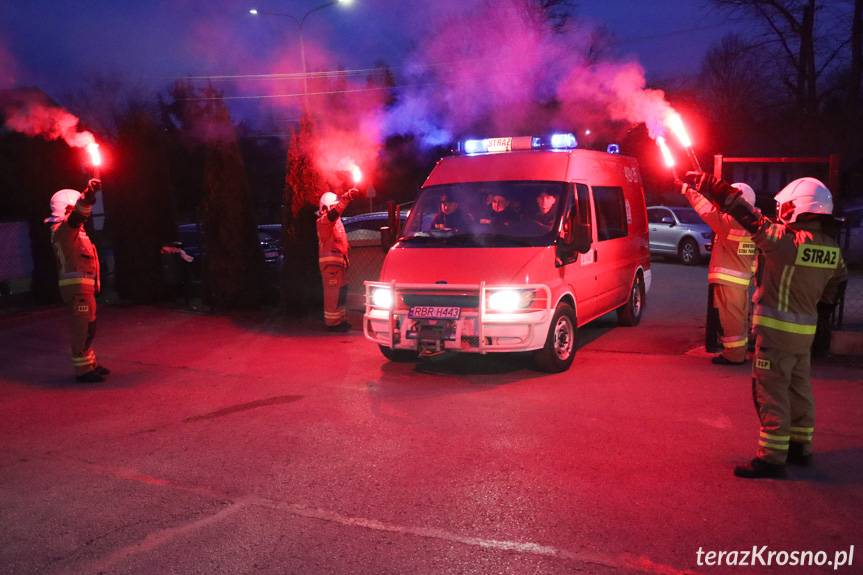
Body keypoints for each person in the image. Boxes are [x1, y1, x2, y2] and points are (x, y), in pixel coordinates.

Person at [686, 174, 847, 479]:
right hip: (805, 335)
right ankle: (801, 447)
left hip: (776, 335)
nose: (780, 213)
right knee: (799, 388)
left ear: (796, 208)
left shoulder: (785, 243)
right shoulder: (832, 250)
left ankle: (771, 458)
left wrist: (711, 186)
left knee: (771, 392)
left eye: (785, 207)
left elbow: (749, 218)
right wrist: (822, 311)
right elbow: (837, 284)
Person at [682, 181, 757, 365]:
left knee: (730, 318)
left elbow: (706, 210)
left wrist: (687, 190)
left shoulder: (730, 223)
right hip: (742, 279)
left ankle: (734, 355)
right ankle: (739, 350)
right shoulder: (755, 223)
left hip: (729, 280)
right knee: (738, 317)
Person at [46, 179, 109, 383]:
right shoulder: (63, 230)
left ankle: (90, 364)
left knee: (89, 327)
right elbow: (76, 217)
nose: (86, 214)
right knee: (81, 329)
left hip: (84, 289)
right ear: (68, 208)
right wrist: (89, 194)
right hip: (77, 291)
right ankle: (83, 372)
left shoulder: (75, 232)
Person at [317, 187, 361, 332]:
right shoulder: (324, 221)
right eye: (334, 204)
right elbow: (334, 213)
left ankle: (339, 321)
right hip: (331, 267)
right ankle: (332, 323)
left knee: (340, 294)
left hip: (338, 265)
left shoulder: (335, 222)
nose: (337, 207)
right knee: (333, 295)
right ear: (326, 206)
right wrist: (346, 198)